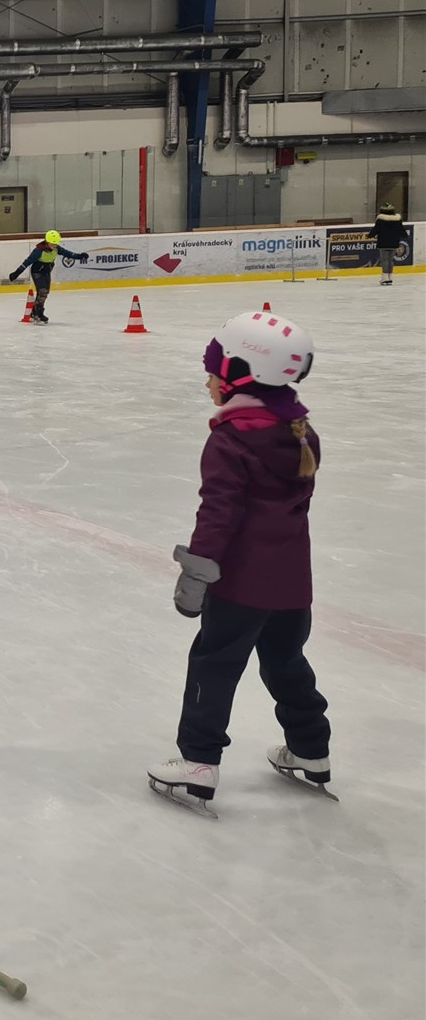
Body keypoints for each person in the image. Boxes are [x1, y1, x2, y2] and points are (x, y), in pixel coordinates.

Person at [148, 311, 330, 817]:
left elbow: (219, 513)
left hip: (241, 583)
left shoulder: (231, 439)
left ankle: (198, 764)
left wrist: (197, 572)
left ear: (240, 374)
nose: (207, 382)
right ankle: (311, 748)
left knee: (214, 664)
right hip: (292, 582)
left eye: (212, 373)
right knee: (286, 661)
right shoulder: (300, 432)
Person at [7, 229, 89, 323]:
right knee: (43, 291)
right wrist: (16, 273)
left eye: (56, 244)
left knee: (44, 292)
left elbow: (67, 253)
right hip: (37, 272)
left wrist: (79, 256)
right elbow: (27, 262)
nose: (54, 246)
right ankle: (38, 313)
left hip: (46, 271)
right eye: (52, 244)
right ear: (47, 242)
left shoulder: (57, 248)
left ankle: (35, 311)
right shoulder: (39, 250)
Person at [372, 202, 404, 285]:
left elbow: (376, 229)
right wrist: (404, 235)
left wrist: (370, 235)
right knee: (390, 260)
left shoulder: (380, 220)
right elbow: (402, 230)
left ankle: (385, 277)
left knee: (385, 260)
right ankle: (390, 277)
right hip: (394, 242)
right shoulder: (397, 220)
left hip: (383, 242)